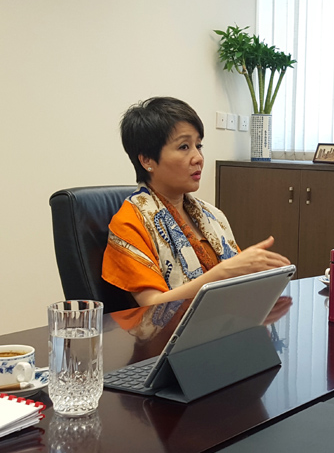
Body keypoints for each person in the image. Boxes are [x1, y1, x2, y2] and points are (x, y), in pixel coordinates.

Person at [103, 97, 291, 307]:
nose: (198, 158)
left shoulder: (213, 216)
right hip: (170, 339)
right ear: (147, 160)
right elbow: (152, 306)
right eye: (184, 147)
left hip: (221, 329)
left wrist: (258, 305)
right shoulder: (130, 223)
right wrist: (222, 273)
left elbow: (236, 283)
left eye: (198, 145)